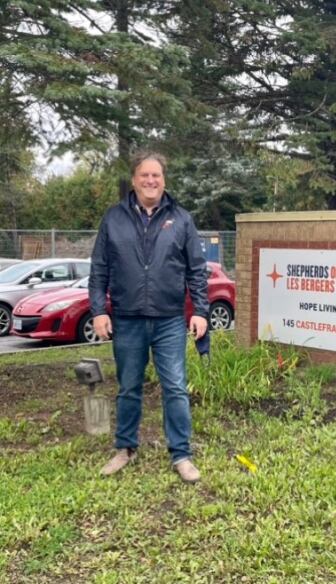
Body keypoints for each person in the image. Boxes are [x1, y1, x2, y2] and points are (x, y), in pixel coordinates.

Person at [89, 151, 208, 484]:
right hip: (127, 319)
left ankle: (181, 454)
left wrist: (200, 310)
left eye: (156, 175)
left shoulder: (181, 219)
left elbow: (197, 271)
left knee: (175, 388)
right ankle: (124, 449)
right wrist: (98, 310)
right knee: (128, 387)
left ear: (164, 179)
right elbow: (99, 268)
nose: (151, 181)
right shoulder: (113, 218)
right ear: (134, 180)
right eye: (144, 175)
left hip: (170, 319)